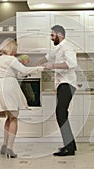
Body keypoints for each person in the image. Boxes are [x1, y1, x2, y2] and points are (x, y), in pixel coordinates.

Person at [0, 38, 43, 158]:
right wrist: (39, 68)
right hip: (9, 88)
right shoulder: (10, 59)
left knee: (8, 117)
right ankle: (10, 148)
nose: (15, 52)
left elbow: (14, 73)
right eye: (15, 49)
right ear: (10, 48)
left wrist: (21, 66)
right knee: (14, 118)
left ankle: (4, 146)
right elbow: (23, 71)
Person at [37, 25, 78, 156]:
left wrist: (52, 66)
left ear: (60, 35)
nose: (51, 38)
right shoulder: (58, 48)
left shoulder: (68, 47)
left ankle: (69, 148)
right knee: (62, 114)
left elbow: (72, 64)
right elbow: (47, 58)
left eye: (52, 35)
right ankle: (70, 146)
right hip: (62, 84)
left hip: (67, 84)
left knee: (60, 114)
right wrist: (30, 66)